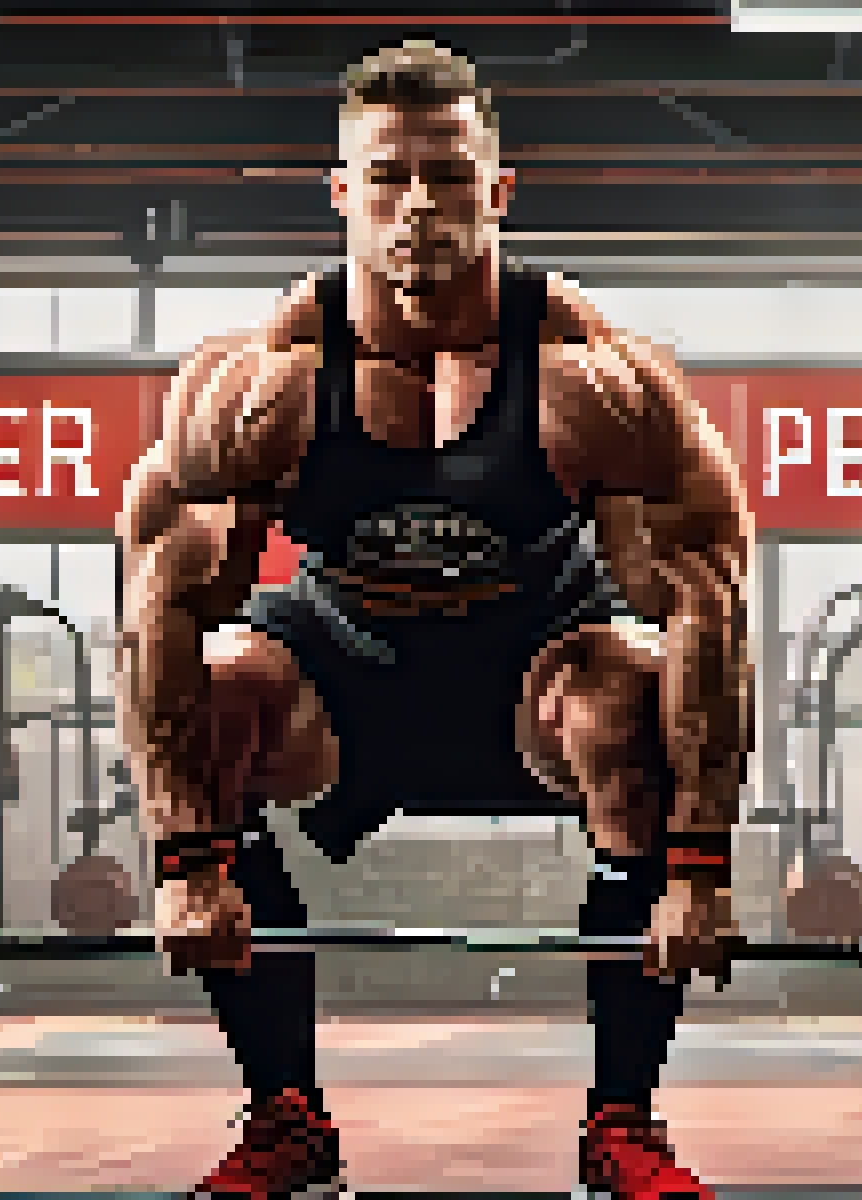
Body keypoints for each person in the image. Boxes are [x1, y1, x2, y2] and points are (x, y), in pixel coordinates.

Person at [114, 38, 754, 1199]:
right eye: (389, 175)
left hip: (534, 679)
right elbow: (163, 590)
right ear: (342, 192)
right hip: (340, 677)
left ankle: (622, 1126)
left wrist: (699, 865)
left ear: (497, 191)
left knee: (628, 688)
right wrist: (186, 860)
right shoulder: (259, 387)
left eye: (449, 175)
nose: (418, 206)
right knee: (224, 685)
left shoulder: (593, 381)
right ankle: (285, 1119)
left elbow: (706, 597)